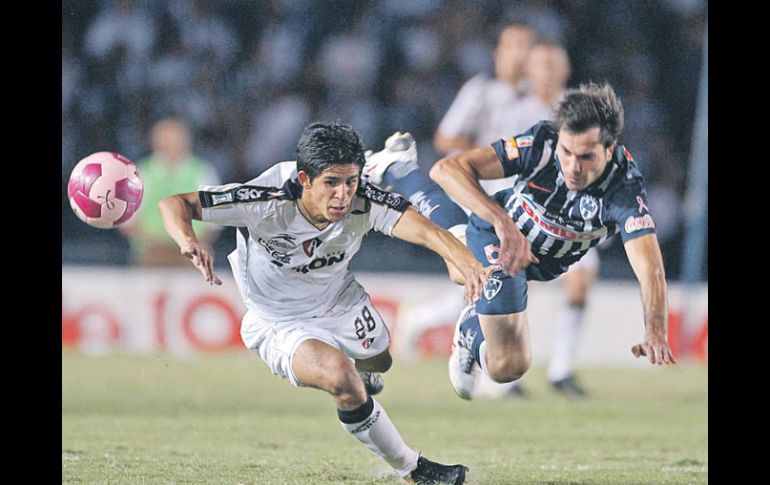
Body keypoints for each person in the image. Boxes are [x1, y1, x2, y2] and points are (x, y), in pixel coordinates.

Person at [158, 122, 492, 484]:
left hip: (339, 300)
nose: (343, 195)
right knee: (341, 378)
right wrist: (188, 241)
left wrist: (470, 263)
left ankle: (364, 376)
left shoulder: (365, 200)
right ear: (304, 178)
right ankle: (412, 468)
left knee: (380, 359)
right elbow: (174, 203)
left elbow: (427, 231)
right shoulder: (264, 199)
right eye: (331, 182)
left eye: (351, 181)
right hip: (278, 320)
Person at [364, 82, 675, 402]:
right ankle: (402, 174)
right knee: (466, 270)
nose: (571, 166)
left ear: (609, 150)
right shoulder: (541, 142)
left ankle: (400, 171)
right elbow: (448, 169)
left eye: (585, 157)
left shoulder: (624, 189)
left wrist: (654, 330)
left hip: (539, 263)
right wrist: (502, 222)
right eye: (566, 152)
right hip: (499, 239)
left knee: (508, 367)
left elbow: (649, 267)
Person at [433, 32, 594, 398]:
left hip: (565, 214)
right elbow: (453, 145)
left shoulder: (578, 110)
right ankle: (489, 359)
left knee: (578, 280)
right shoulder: (505, 102)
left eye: (555, 63)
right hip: (506, 205)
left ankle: (561, 370)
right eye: (541, 62)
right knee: (487, 284)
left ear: (567, 69)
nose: (548, 70)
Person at [120, 117, 221, 266]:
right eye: (166, 139)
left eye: (176, 139)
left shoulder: (202, 172)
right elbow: (127, 221)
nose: (171, 144)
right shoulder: (142, 173)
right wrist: (155, 243)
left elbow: (215, 221)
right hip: (151, 253)